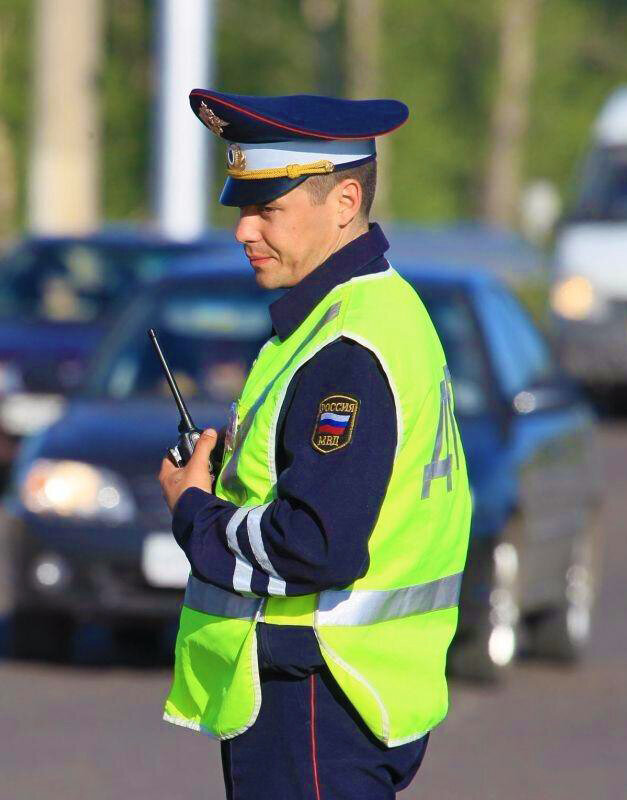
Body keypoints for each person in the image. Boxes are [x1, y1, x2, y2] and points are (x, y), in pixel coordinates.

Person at [156, 89, 472, 799]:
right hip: (345, 696)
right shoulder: (370, 311)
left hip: (317, 698)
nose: (243, 230)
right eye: (243, 207)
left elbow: (316, 544)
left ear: (343, 201)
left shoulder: (346, 346)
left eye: (267, 208)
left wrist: (194, 511)